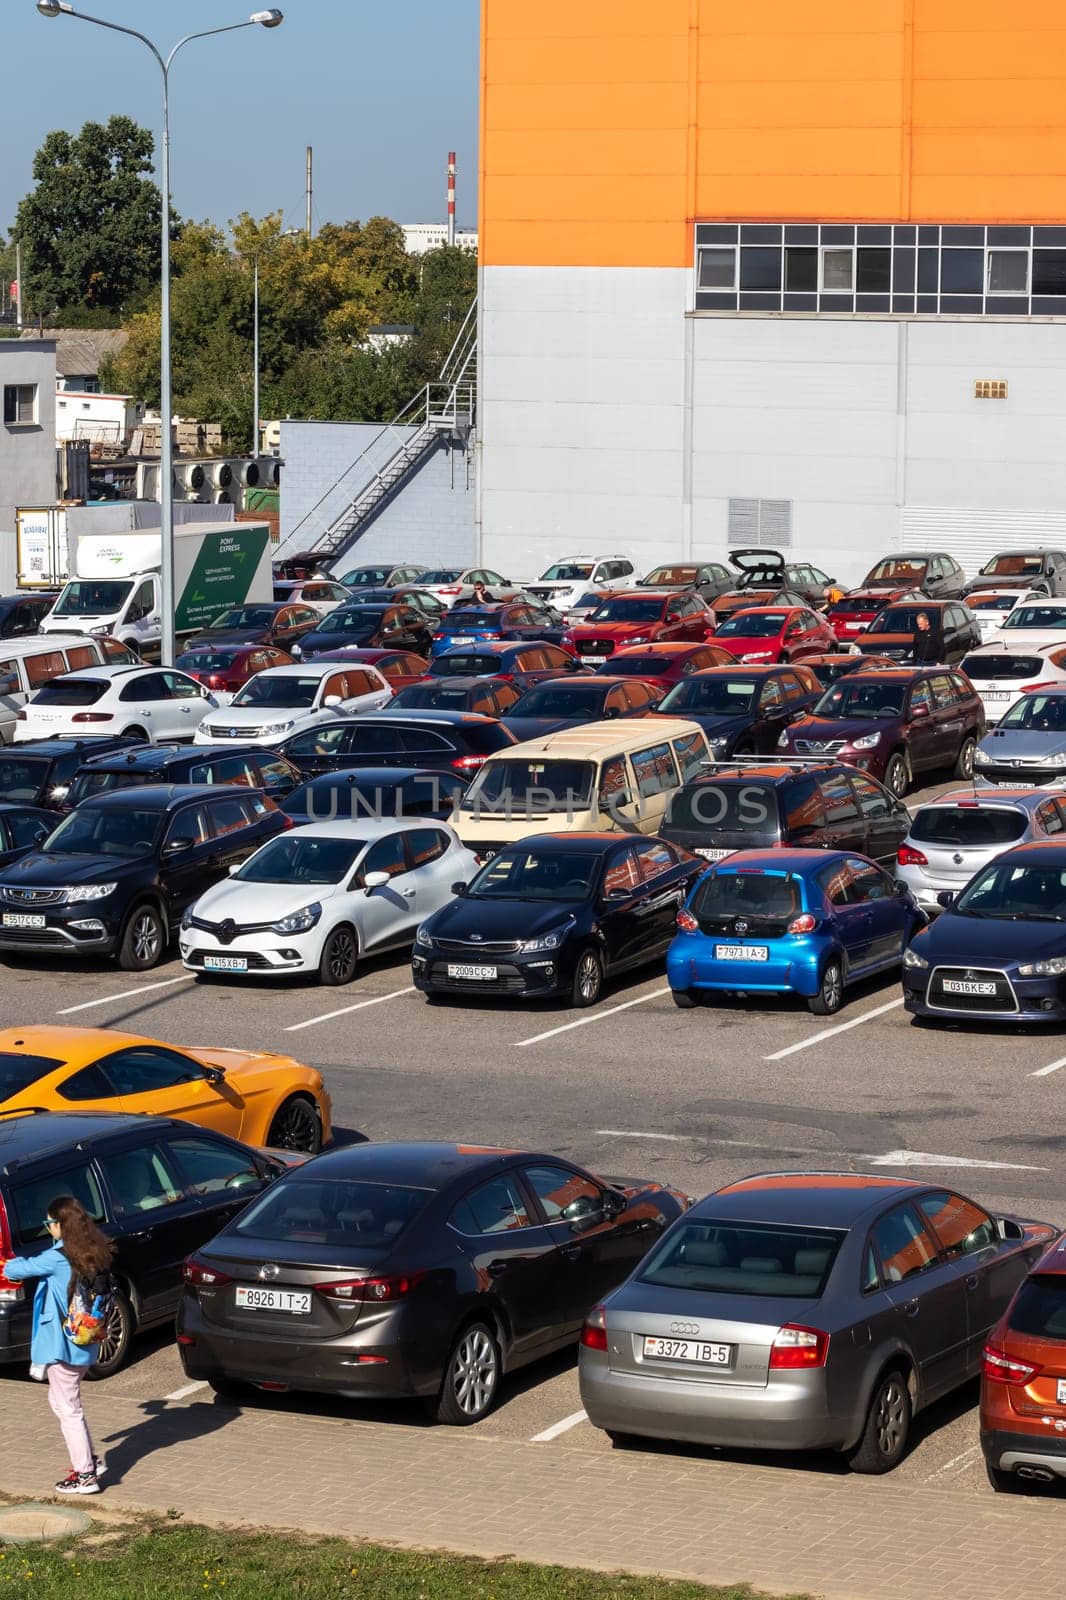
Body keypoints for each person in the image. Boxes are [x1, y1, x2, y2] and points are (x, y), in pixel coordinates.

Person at [1, 1195, 115, 1495]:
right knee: (62, 1401)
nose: (47, 1228)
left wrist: (7, 1261)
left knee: (68, 1409)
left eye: (48, 1223)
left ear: (59, 1224)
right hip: (86, 1339)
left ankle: (85, 1475)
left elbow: (15, 1271)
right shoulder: (95, 1249)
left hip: (64, 1345)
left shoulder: (58, 1257)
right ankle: (89, 1460)